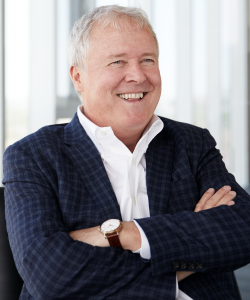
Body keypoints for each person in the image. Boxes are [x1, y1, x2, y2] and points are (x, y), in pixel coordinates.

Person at [2, 5, 250, 300]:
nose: (137, 75)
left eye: (147, 60)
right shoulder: (33, 156)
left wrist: (123, 233)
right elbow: (51, 276)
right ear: (78, 77)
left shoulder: (192, 142)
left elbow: (243, 232)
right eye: (118, 62)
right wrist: (189, 258)